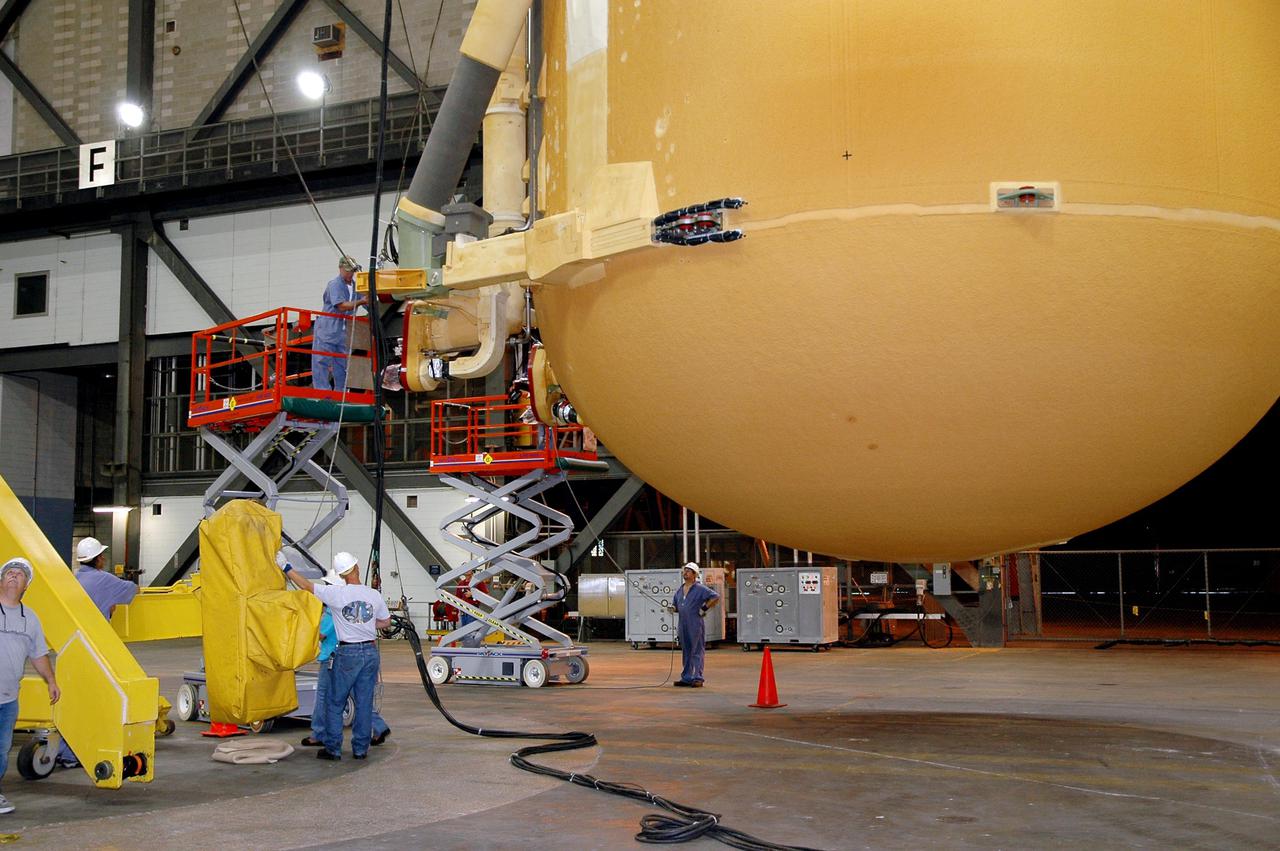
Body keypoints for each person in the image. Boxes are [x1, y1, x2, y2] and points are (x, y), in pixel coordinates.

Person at [280, 551, 388, 761]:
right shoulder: (374, 595)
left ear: (340, 575)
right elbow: (385, 622)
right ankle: (360, 750)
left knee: (335, 702)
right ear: (356, 568)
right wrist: (363, 624)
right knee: (364, 703)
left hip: (347, 654)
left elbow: (306, 585)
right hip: (370, 652)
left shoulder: (336, 595)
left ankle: (333, 749)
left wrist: (285, 567)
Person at [54, 537, 138, 768]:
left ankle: (64, 749)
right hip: (96, 650)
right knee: (94, 701)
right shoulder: (104, 580)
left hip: (71, 648)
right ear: (99, 558)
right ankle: (75, 754)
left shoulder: (72, 579)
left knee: (71, 700)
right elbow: (132, 590)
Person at [0, 558, 60, 814]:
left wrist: (51, 680)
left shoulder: (30, 619)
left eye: (20, 574)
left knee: (2, 751)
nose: (14, 576)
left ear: (26, 586)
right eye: (9, 573)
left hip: (8, 699)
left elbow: (38, 654)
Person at [299, 604, 390, 749]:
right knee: (359, 696)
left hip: (332, 658)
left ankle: (320, 735)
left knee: (325, 697)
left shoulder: (331, 613)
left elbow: (321, 635)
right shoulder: (349, 611)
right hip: (353, 656)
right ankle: (378, 727)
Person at [312, 256, 366, 392]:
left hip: (344, 332)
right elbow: (341, 306)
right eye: (347, 270)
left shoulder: (356, 287)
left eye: (352, 271)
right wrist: (361, 301)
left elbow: (369, 303)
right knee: (322, 360)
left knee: (342, 364)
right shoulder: (334, 284)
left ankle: (341, 392)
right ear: (340, 268)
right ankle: (322, 392)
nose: (349, 274)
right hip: (328, 329)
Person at [669, 562, 720, 688]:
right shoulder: (680, 590)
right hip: (683, 624)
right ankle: (686, 677)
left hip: (695, 623)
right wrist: (673, 608)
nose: (685, 572)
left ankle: (698, 677)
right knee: (686, 650)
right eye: (684, 570)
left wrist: (704, 607)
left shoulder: (700, 589)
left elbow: (715, 597)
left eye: (688, 571)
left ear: (694, 574)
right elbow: (677, 605)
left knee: (697, 650)